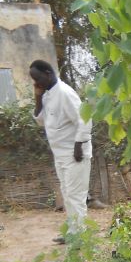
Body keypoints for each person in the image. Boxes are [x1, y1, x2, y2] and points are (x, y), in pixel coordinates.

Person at [29, 60, 93, 244]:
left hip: (75, 154)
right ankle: (73, 232)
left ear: (48, 73)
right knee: (67, 195)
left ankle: (79, 237)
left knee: (76, 196)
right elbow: (41, 120)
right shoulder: (47, 95)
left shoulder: (65, 93)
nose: (36, 83)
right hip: (60, 155)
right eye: (33, 80)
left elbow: (84, 118)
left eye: (38, 78)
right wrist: (37, 96)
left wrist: (78, 146)